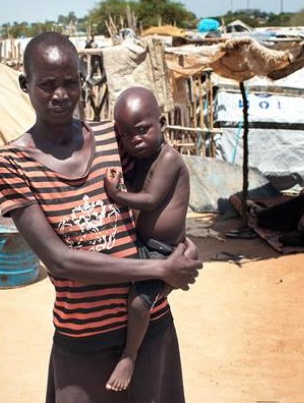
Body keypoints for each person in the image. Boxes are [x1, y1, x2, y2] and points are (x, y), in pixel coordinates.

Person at [0, 32, 202, 403]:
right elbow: (61, 260)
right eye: (47, 85)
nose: (60, 95)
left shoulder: (112, 138)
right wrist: (158, 270)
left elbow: (165, 184)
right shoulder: (12, 163)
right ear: (26, 84)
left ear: (82, 79)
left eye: (70, 82)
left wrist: (180, 244)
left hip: (150, 328)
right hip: (83, 337)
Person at [101, 87, 191, 392]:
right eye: (127, 135)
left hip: (161, 250)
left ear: (162, 124)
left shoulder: (168, 158)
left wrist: (115, 194)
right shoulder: (140, 156)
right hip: (142, 245)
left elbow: (151, 199)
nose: (135, 139)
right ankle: (164, 285)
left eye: (142, 131)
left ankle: (129, 355)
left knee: (139, 303)